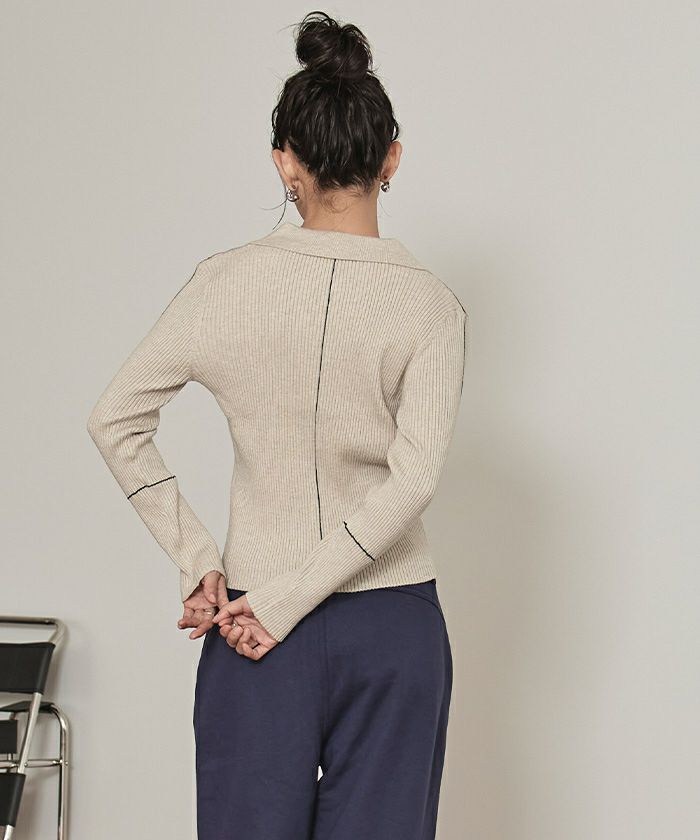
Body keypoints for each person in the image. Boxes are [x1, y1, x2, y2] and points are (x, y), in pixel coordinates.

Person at [86, 10, 468, 839]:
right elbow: (414, 480)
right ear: (392, 157)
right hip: (390, 624)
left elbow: (115, 418)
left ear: (284, 161)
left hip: (253, 621)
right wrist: (283, 594)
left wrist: (199, 557)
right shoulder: (430, 304)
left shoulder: (223, 282)